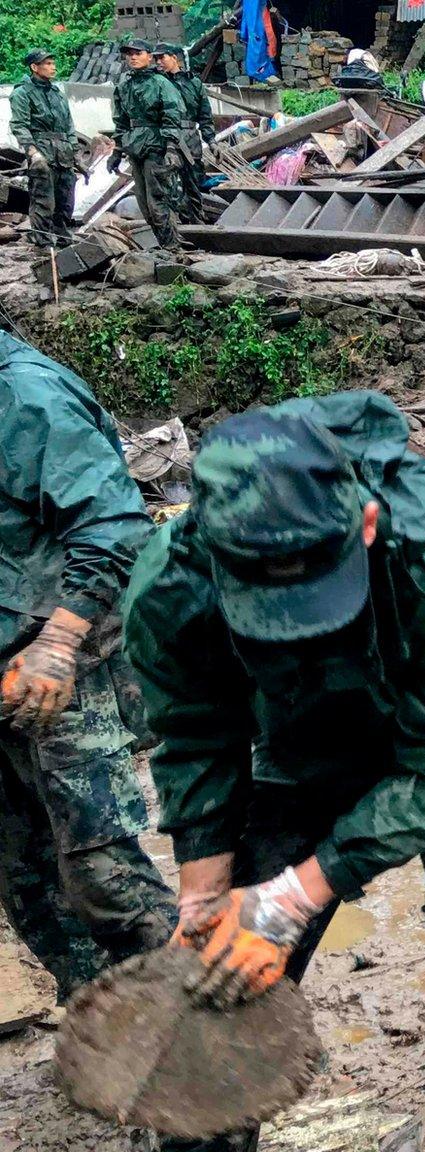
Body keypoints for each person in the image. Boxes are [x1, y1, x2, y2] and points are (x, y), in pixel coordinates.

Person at [121, 391, 425, 1152]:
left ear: (365, 523)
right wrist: (203, 896)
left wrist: (294, 893)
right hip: (301, 733)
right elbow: (195, 734)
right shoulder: (170, 583)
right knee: (220, 986)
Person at [0, 332, 176, 1000]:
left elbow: (114, 526)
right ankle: (110, 1028)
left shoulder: (25, 397)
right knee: (27, 875)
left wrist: (58, 641)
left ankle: (224, 1044)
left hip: (69, 658)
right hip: (7, 663)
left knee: (104, 875)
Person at [111, 37, 185, 248]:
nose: (133, 57)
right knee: (143, 203)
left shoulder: (161, 83)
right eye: (130, 54)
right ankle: (163, 245)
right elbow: (121, 120)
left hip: (157, 146)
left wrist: (171, 147)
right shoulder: (124, 85)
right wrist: (117, 151)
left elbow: (172, 115)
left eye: (138, 53)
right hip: (135, 146)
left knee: (157, 200)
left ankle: (171, 246)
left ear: (149, 57)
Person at [12, 49, 86, 248]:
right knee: (44, 202)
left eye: (53, 63)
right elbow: (19, 126)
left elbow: (69, 125)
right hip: (42, 155)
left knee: (66, 202)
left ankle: (63, 241)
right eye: (47, 64)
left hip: (63, 155)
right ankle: (43, 244)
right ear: (34, 67)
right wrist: (33, 153)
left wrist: (75, 153)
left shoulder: (57, 94)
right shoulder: (22, 93)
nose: (53, 67)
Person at [157, 43, 209, 223]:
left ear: (174, 58)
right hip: (165, 138)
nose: (159, 62)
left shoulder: (194, 83)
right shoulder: (157, 83)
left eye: (162, 57)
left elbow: (204, 115)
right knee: (170, 185)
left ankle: (197, 223)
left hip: (190, 138)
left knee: (194, 182)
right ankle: (181, 225)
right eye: (156, 59)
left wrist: (212, 140)